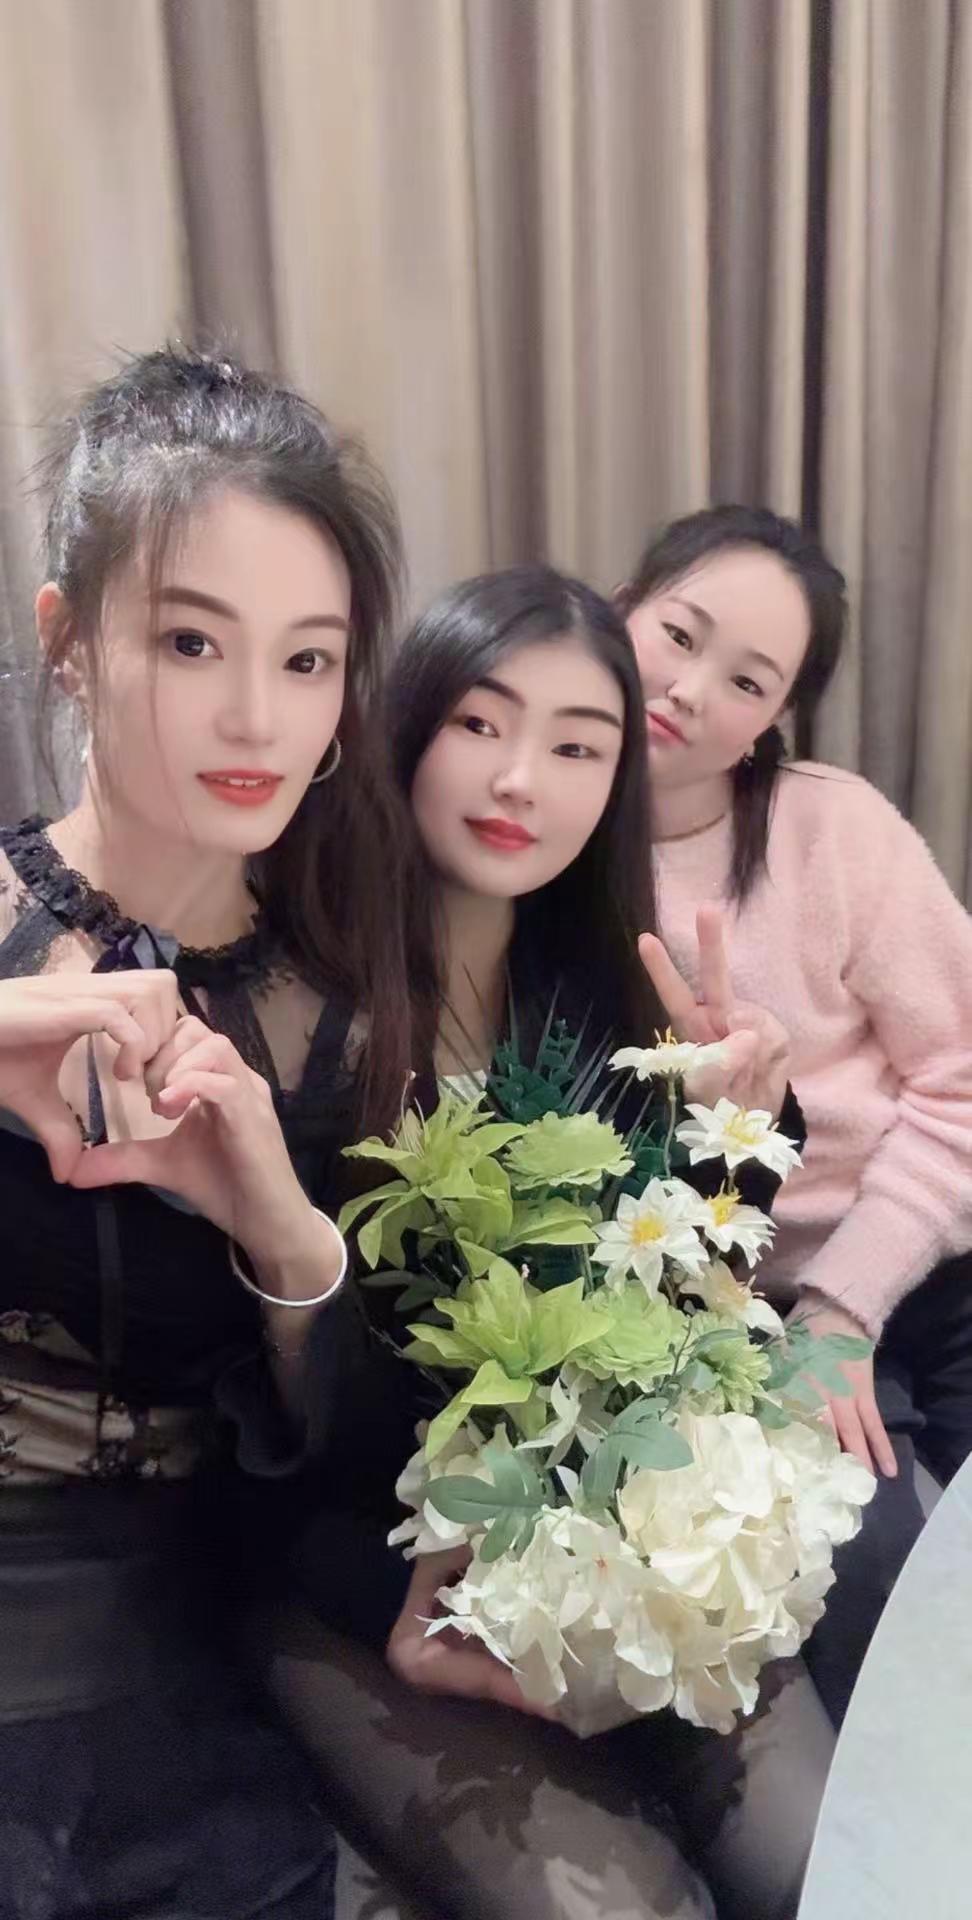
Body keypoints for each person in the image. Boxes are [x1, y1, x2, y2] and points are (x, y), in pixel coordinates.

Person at [283, 567, 834, 1920]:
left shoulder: (608, 995)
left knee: (831, 1868)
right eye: (481, 724)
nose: (521, 779)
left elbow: (693, 1297)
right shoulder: (299, 1008)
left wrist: (733, 1123)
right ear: (408, 725)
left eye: (580, 747)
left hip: (615, 1549)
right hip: (361, 1572)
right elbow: (286, 1421)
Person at [0, 344, 421, 1919]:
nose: (256, 716)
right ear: (67, 640)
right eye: (191, 642)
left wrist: (286, 1242)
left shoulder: (343, 1011)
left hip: (179, 1634)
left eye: (309, 661)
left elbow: (364, 1470)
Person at [619, 502, 972, 1718]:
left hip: (919, 1253)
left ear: (775, 716)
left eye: (747, 679)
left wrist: (846, 1303)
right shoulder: (541, 845)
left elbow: (961, 1079)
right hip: (741, 1307)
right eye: (679, 634)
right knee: (889, 1600)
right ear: (623, 608)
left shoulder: (834, 828)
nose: (689, 689)